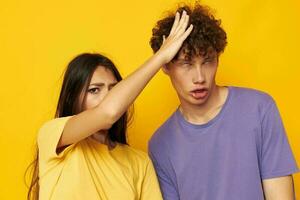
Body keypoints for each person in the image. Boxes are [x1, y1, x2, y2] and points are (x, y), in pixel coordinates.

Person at [26, 11, 193, 200]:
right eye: (94, 90)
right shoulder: (53, 135)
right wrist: (161, 57)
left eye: (114, 90)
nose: (107, 97)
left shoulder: (139, 163)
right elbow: (108, 112)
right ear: (73, 98)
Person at [148, 2, 299, 200]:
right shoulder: (160, 144)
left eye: (208, 61)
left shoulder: (259, 109)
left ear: (218, 58)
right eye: (187, 63)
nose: (199, 77)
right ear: (165, 66)